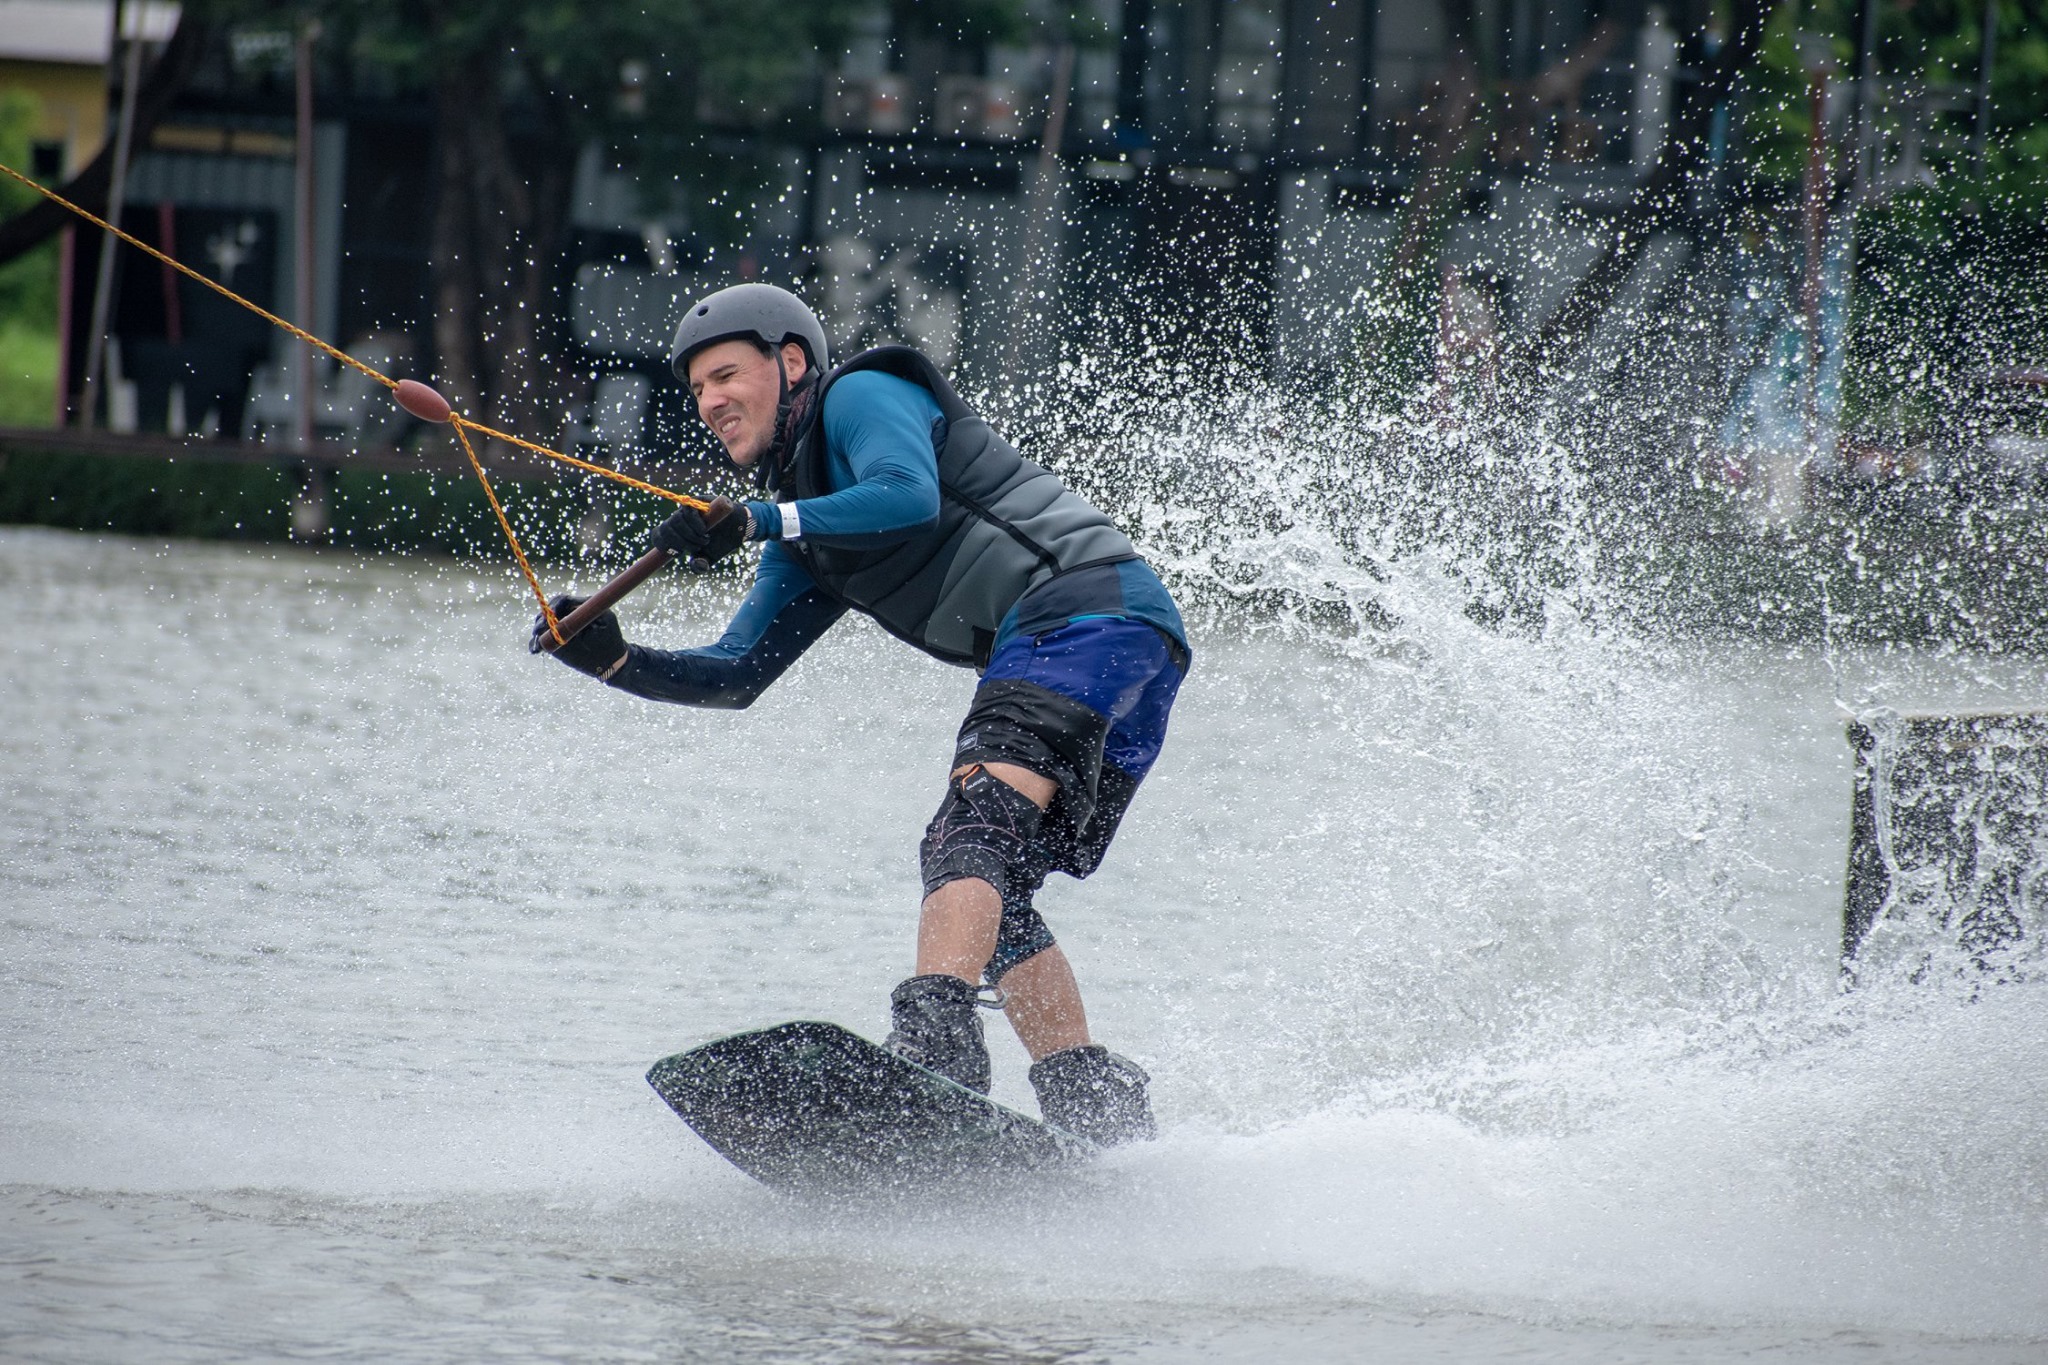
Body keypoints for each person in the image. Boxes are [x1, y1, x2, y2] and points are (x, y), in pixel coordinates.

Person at [531, 284, 1188, 1145]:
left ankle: (936, 1044)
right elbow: (735, 673)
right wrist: (615, 661)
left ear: (791, 362)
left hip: (1084, 610)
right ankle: (1090, 1105)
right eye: (696, 389)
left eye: (727, 374)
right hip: (1127, 653)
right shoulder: (808, 535)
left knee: (970, 836)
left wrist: (763, 519)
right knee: (989, 885)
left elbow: (906, 493)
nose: (711, 401)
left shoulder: (861, 395)